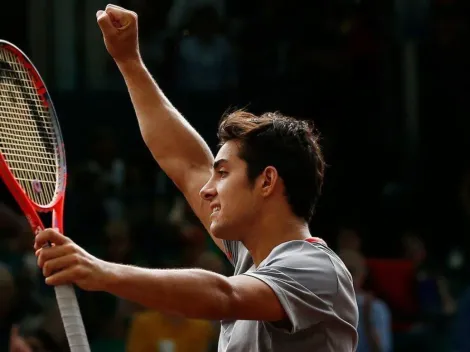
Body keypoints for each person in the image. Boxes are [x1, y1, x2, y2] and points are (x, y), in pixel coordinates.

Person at [34, 4, 359, 351]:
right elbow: (185, 163)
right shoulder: (253, 259)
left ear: (266, 182)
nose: (206, 190)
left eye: (222, 174)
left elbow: (223, 295)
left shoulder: (316, 269)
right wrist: (129, 62)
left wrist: (101, 272)